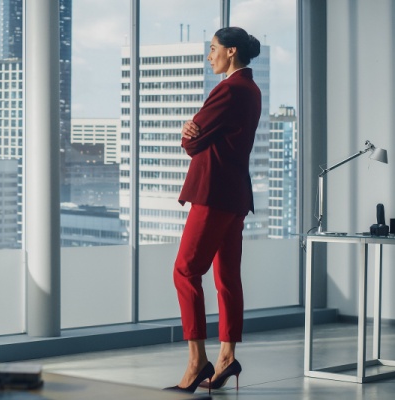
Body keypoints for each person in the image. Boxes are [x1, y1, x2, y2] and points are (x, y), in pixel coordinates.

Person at [164, 26, 262, 394]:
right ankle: (225, 357)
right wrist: (196, 133)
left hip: (214, 193)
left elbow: (191, 142)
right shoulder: (251, 89)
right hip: (235, 195)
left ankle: (196, 361)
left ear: (231, 52)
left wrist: (189, 133)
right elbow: (202, 135)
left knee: (185, 271)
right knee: (226, 278)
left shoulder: (229, 89)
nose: (210, 56)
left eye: (213, 48)